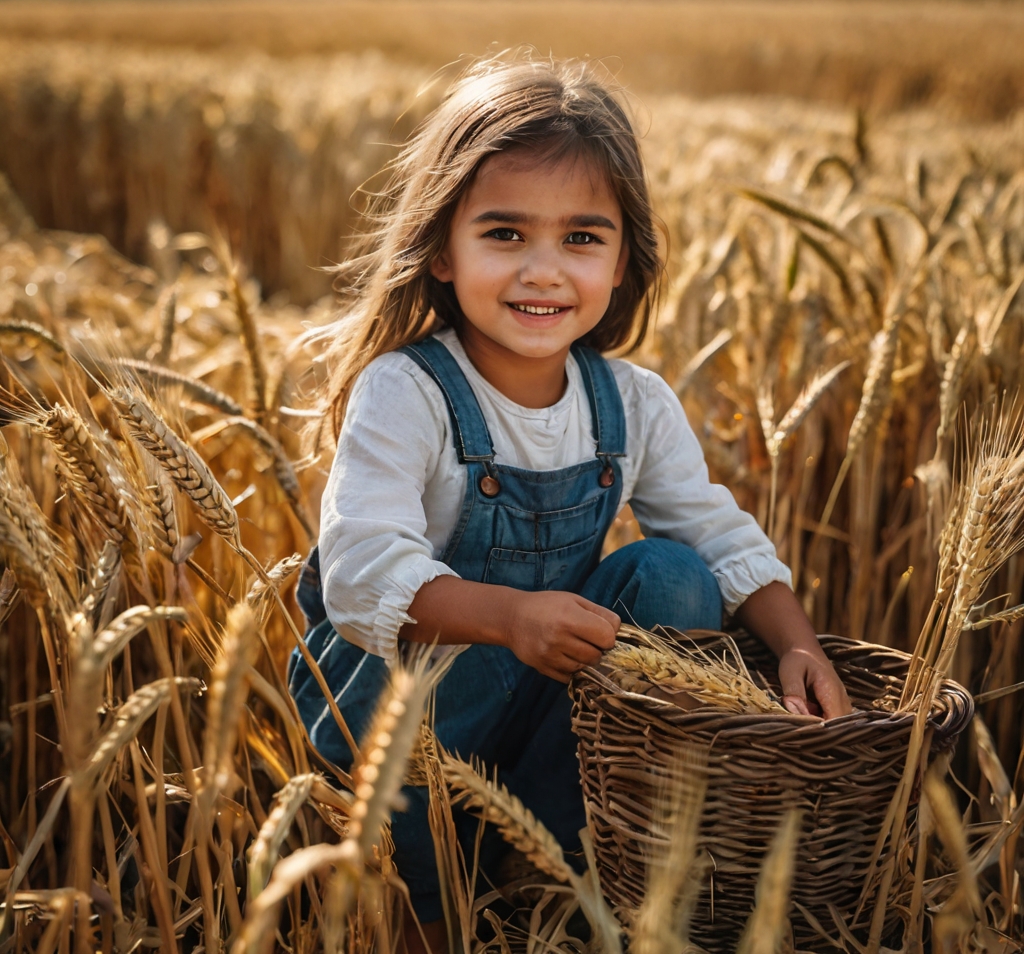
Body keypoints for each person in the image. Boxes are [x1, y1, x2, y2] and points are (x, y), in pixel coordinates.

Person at [288, 55, 853, 951]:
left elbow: (717, 536)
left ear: (625, 259)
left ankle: (551, 862)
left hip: (545, 699)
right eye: (505, 234)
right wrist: (511, 617)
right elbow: (361, 578)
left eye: (582, 239)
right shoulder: (408, 389)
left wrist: (798, 646)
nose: (543, 271)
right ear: (441, 247)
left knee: (672, 576)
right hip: (403, 716)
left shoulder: (630, 403)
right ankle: (426, 911)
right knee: (425, 863)